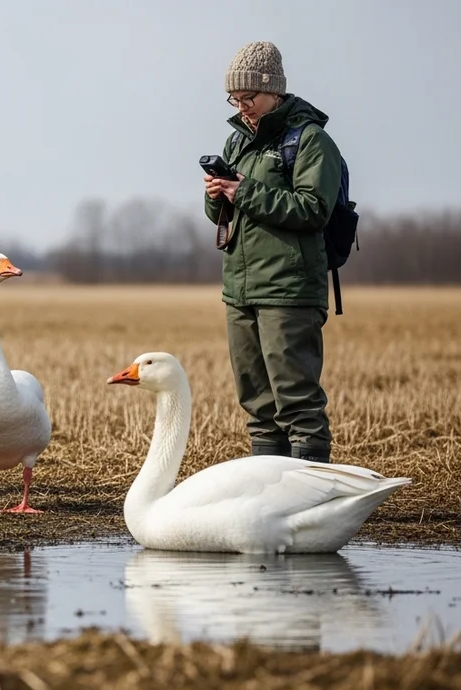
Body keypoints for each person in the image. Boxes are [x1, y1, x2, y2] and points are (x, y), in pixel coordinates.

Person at [203, 41, 342, 464]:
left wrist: (246, 191)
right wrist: (216, 195)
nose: (242, 106)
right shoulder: (236, 143)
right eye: (235, 98)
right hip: (240, 289)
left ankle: (310, 498)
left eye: (250, 97)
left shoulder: (312, 140)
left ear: (274, 90)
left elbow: (313, 209)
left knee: (297, 402)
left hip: (290, 290)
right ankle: (272, 499)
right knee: (257, 405)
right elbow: (221, 217)